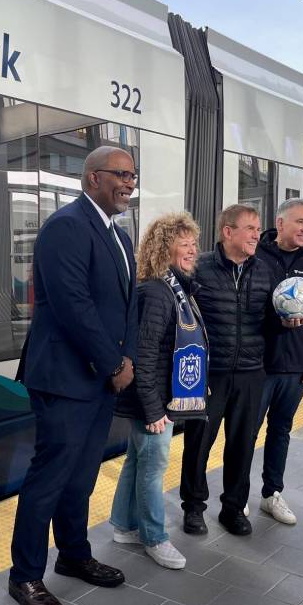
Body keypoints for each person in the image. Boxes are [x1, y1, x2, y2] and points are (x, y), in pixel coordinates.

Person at [9, 146, 139, 605]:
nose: (129, 182)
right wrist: (113, 364)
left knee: (81, 478)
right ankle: (24, 574)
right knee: (48, 479)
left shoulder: (119, 237)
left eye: (133, 175)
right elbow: (72, 306)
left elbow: (127, 307)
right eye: (120, 175)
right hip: (65, 378)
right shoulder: (66, 227)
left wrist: (127, 358)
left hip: (101, 378)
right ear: (91, 178)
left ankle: (73, 553)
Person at [111, 212, 207, 569]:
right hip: (154, 401)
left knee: (137, 461)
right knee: (153, 465)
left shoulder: (170, 287)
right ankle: (154, 537)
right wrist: (153, 410)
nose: (193, 250)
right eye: (184, 244)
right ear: (163, 249)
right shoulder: (158, 292)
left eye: (194, 244)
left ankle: (123, 525)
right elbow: (145, 355)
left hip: (154, 397)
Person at [179, 204, 278, 536]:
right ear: (227, 232)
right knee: (199, 443)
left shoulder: (264, 270)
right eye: (250, 228)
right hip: (210, 373)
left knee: (243, 444)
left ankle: (233, 509)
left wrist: (288, 322)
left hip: (251, 372)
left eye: (257, 229)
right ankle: (193, 508)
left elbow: (271, 320)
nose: (256, 235)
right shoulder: (200, 268)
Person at [254, 198, 303, 525]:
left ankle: (271, 494)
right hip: (256, 364)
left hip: (296, 366)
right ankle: (234, 497)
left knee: (281, 430)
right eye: (300, 222)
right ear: (280, 223)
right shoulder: (256, 256)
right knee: (245, 432)